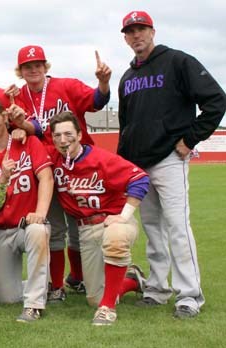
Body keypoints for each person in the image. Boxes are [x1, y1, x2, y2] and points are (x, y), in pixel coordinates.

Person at [117, 10, 226, 319]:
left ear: (152, 31)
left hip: (169, 158)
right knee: (152, 229)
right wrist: (126, 166)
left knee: (177, 227)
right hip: (139, 165)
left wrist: (190, 139)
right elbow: (126, 126)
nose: (136, 35)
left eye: (141, 29)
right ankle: (156, 288)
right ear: (125, 37)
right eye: (130, 31)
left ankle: (189, 295)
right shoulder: (128, 78)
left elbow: (216, 100)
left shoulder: (178, 61)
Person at [11, 44, 112, 300]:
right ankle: (57, 287)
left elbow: (96, 102)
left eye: (38, 65)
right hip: (46, 172)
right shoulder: (18, 96)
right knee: (55, 229)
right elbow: (32, 126)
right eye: (27, 66)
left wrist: (103, 83)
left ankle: (78, 278)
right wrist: (20, 127)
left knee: (81, 227)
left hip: (78, 169)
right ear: (20, 71)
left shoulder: (66, 85)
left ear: (46, 67)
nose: (33, 70)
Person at [49, 112, 149, 326]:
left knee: (116, 238)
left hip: (112, 220)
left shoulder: (100, 158)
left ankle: (108, 310)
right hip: (86, 229)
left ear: (79, 134)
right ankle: (132, 280)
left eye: (68, 133)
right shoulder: (55, 161)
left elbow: (140, 178)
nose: (63, 140)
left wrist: (123, 216)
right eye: (57, 135)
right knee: (94, 298)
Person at [0, 99, 53, 322]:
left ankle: (34, 305)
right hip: (2, 230)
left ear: (5, 118)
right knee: (8, 297)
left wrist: (41, 214)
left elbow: (46, 177)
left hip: (28, 224)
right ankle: (41, 283)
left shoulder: (28, 142)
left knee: (38, 230)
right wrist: (3, 178)